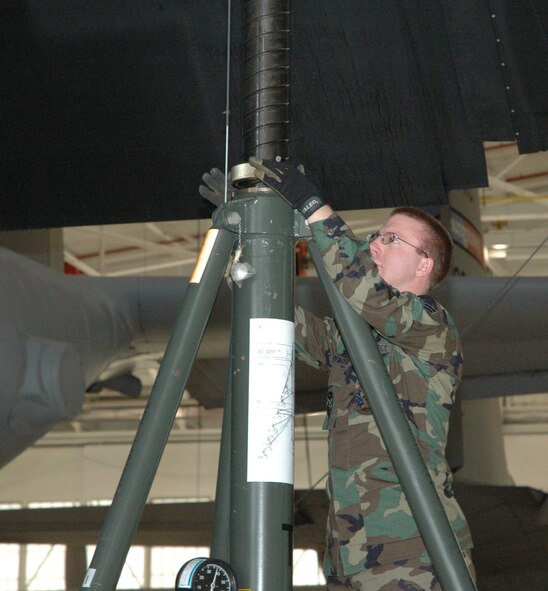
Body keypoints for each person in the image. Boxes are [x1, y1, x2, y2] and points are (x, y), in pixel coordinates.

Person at [248, 157, 476, 591]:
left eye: (392, 239)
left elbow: (362, 289)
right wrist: (248, 236)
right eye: (376, 235)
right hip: (349, 555)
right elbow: (282, 321)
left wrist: (314, 207)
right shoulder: (351, 336)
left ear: (424, 264)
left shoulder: (432, 326)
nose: (375, 244)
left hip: (415, 552)